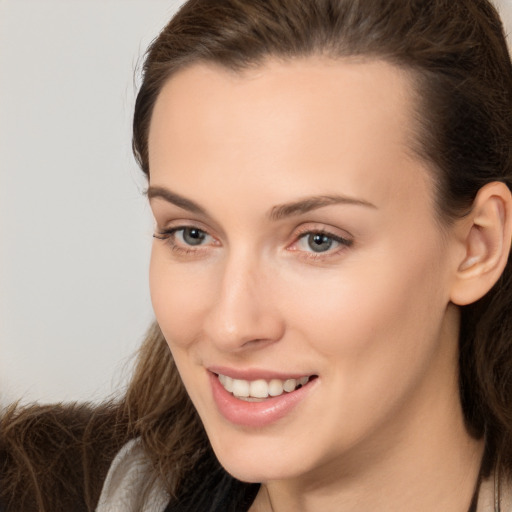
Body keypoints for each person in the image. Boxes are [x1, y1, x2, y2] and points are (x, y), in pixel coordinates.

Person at [2, 0, 512, 510]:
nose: (230, 325)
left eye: (318, 240)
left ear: (477, 247)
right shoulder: (43, 490)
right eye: (192, 234)